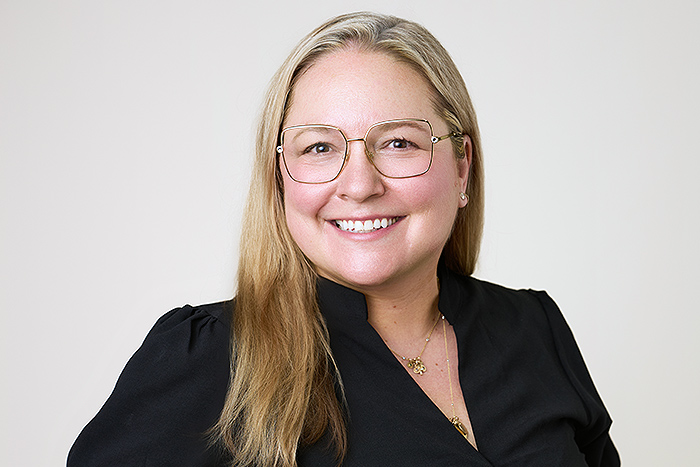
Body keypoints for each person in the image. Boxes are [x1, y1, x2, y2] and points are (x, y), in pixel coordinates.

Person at [68, 11, 619, 467]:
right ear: (279, 178)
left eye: (399, 143)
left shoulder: (535, 330)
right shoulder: (209, 359)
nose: (359, 185)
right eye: (319, 148)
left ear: (462, 167)